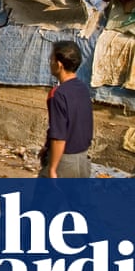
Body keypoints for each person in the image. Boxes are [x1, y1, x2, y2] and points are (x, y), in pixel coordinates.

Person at [39, 40, 93, 178]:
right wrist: (47, 147)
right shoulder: (83, 89)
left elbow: (59, 137)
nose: (50, 63)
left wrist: (52, 169)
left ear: (59, 64)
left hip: (64, 162)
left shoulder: (58, 94)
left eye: (51, 59)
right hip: (83, 161)